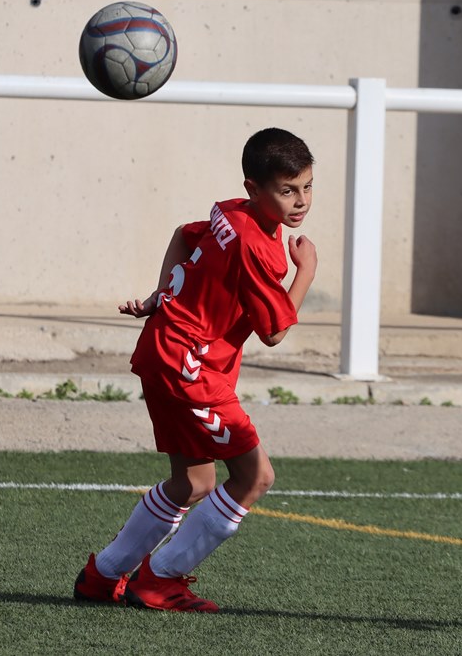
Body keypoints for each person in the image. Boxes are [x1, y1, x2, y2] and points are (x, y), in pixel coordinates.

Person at [73, 128, 318, 613]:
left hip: (162, 352)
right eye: (287, 190)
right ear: (254, 188)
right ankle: (160, 579)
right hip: (191, 368)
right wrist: (306, 272)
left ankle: (103, 576)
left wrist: (161, 294)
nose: (301, 201)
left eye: (307, 187)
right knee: (255, 476)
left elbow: (182, 237)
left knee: (193, 483)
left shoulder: (232, 211)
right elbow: (273, 332)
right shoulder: (256, 246)